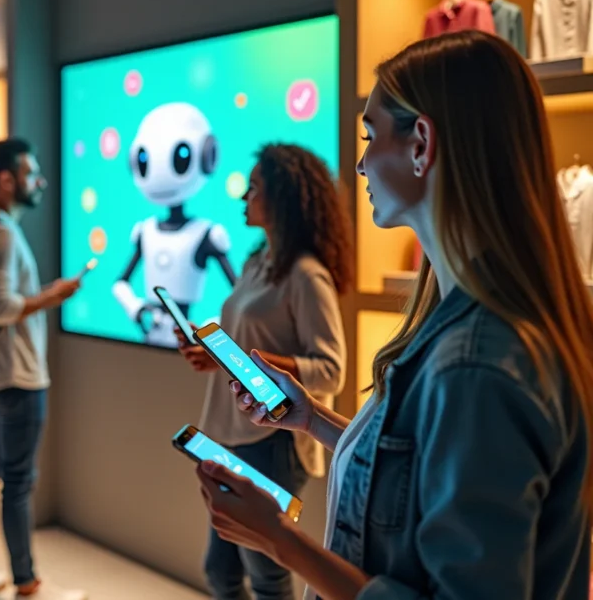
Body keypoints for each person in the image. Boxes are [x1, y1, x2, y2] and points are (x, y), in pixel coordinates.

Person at [197, 30, 593, 600]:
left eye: (369, 135)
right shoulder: (467, 324)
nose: (359, 164)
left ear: (421, 143)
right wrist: (312, 419)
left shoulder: (477, 362)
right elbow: (418, 472)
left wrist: (282, 541)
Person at [176, 143, 352, 600]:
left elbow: (331, 370)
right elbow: (244, 341)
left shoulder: (307, 275)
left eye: (253, 188)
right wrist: (211, 356)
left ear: (283, 197)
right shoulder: (257, 262)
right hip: (229, 430)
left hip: (272, 443)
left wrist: (269, 364)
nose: (243, 197)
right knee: (220, 569)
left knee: (267, 574)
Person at [0, 138, 85, 600]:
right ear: (7, 180)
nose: (41, 181)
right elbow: (0, 308)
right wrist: (55, 295)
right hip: (16, 377)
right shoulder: (3, 233)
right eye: (32, 173)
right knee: (19, 484)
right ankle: (27, 583)